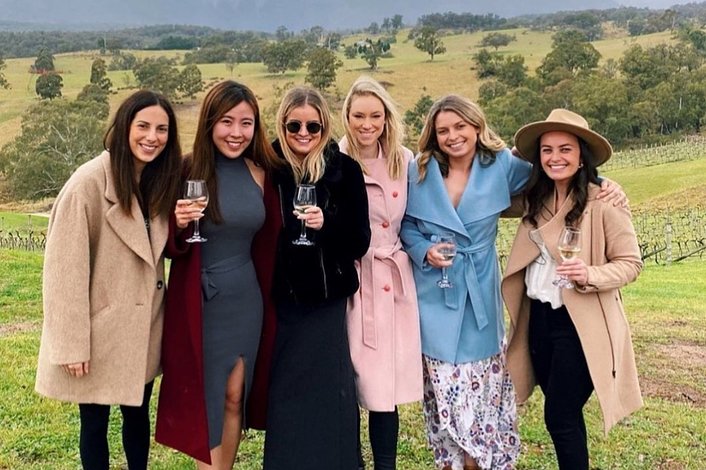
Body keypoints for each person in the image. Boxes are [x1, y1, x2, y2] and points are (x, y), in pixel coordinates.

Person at [400, 95, 626, 470]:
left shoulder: (501, 166)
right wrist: (424, 249)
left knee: (484, 393)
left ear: (477, 127)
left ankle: (478, 460)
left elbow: (556, 171)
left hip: (480, 293)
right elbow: (405, 223)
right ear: (433, 135)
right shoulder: (418, 171)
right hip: (434, 292)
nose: (453, 136)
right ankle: (452, 460)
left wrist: (603, 183)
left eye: (460, 126)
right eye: (443, 130)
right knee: (444, 394)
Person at [35, 90, 182, 470]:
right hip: (99, 330)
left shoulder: (158, 182)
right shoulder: (87, 183)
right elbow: (63, 272)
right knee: (94, 423)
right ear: (124, 127)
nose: (152, 137)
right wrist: (71, 345)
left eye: (162, 129)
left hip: (143, 327)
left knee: (138, 416)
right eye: (143, 126)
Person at [502, 109, 643, 470]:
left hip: (581, 324)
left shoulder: (604, 201)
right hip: (539, 321)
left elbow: (631, 263)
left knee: (560, 415)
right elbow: (495, 195)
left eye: (565, 149)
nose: (555, 158)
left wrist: (589, 273)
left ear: (582, 156)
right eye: (546, 150)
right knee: (563, 413)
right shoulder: (534, 198)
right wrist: (520, 152)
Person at [155, 80, 280, 469]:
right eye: (227, 121)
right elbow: (163, 243)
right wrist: (176, 225)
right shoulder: (186, 169)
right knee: (207, 400)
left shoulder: (261, 173)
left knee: (234, 396)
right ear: (210, 122)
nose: (236, 132)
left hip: (247, 300)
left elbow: (272, 241)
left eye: (246, 123)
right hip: (202, 302)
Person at [263, 86, 371, 470]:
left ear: (325, 126)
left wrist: (327, 225)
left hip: (326, 302)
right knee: (286, 396)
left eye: (313, 126)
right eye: (294, 126)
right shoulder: (267, 168)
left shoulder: (345, 171)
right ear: (282, 125)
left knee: (331, 395)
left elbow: (359, 241)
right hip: (282, 302)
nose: (303, 133)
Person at [340, 76, 423, 470]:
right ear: (347, 117)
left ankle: (385, 465)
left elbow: (424, 211)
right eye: (359, 115)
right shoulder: (335, 159)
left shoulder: (403, 160)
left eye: (375, 115)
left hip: (393, 281)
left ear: (387, 118)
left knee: (384, 389)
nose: (367, 124)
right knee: (354, 382)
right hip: (353, 280)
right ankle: (351, 461)